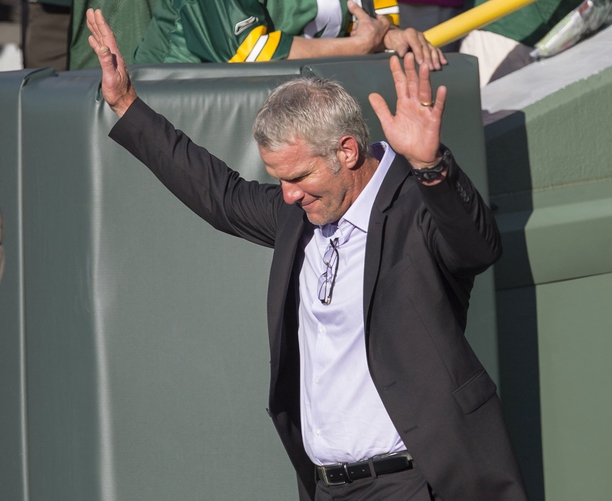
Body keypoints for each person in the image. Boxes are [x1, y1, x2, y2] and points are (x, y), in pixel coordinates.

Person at [87, 8, 527, 500]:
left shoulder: (416, 208)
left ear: (346, 151)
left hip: (415, 484)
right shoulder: (300, 217)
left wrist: (430, 165)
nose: (289, 195)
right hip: (324, 488)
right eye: (281, 180)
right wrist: (127, 104)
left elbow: (477, 246)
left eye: (299, 178)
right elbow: (221, 196)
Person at [131, 0, 445, 70]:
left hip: (293, 105)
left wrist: (388, 37)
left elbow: (359, 22)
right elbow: (248, 52)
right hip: (176, 113)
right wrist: (361, 46)